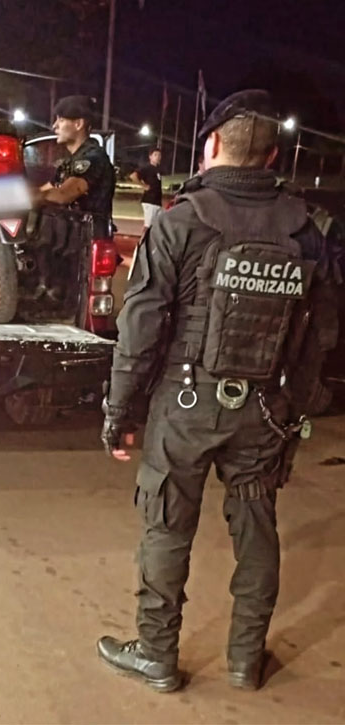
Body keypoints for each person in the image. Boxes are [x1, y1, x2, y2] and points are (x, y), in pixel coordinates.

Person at [97, 90, 339, 693]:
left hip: (184, 406)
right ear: (273, 155)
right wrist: (295, 412)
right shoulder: (307, 229)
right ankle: (245, 659)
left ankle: (157, 655)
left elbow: (141, 324)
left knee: (166, 527)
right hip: (264, 409)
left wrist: (120, 410)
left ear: (210, 147)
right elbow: (321, 335)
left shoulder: (181, 220)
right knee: (256, 528)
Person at [34, 95, 116, 299]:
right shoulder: (68, 163)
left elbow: (64, 195)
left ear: (78, 124)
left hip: (83, 248)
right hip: (65, 245)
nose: (54, 126)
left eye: (61, 120)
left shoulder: (93, 158)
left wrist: (25, 197)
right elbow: (47, 188)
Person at [131, 149, 163, 227]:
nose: (158, 157)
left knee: (157, 225)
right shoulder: (147, 168)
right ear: (150, 157)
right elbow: (133, 176)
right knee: (148, 225)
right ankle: (144, 235)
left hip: (157, 201)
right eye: (155, 155)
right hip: (150, 200)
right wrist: (143, 186)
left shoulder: (158, 169)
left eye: (159, 155)